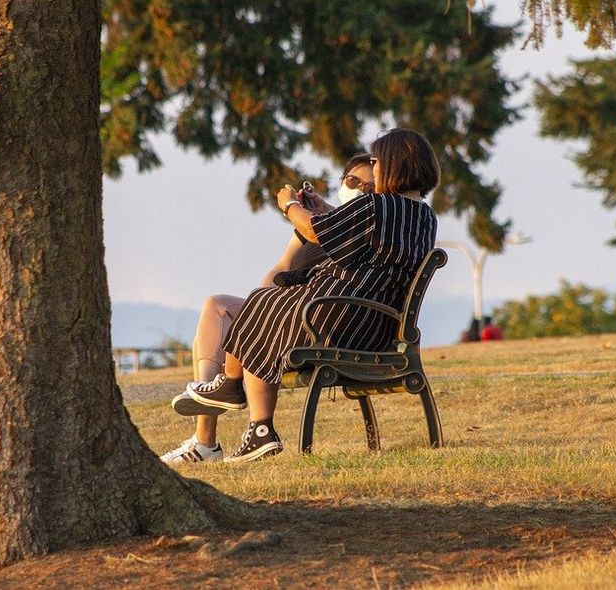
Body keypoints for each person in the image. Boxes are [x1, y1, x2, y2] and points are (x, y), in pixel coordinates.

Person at [186, 127, 440, 462]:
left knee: (261, 301)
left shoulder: (378, 206)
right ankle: (248, 415)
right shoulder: (424, 217)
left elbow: (313, 231)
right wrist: (324, 211)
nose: (374, 170)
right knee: (265, 302)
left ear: (394, 164)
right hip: (375, 325)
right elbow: (357, 238)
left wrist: (290, 205)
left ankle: (246, 405)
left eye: (377, 162)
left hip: (336, 316)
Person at [159, 154, 378, 464]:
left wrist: (294, 207)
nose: (359, 189)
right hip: (288, 309)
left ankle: (208, 433)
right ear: (341, 182)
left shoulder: (364, 226)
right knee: (216, 307)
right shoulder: (321, 223)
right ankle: (209, 409)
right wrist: (256, 303)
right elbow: (283, 266)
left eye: (369, 187)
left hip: (311, 319)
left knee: (225, 327)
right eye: (353, 181)